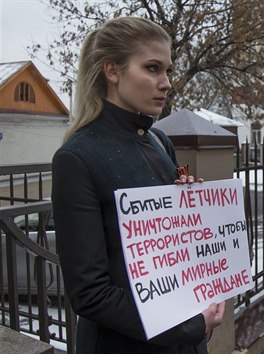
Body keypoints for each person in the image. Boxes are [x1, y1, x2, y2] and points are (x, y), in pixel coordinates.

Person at [51, 17, 224, 354]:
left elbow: (170, 254)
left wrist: (189, 213)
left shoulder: (160, 141)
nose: (166, 83)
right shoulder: (77, 158)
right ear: (112, 71)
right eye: (152, 68)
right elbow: (90, 294)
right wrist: (189, 327)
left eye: (168, 70)